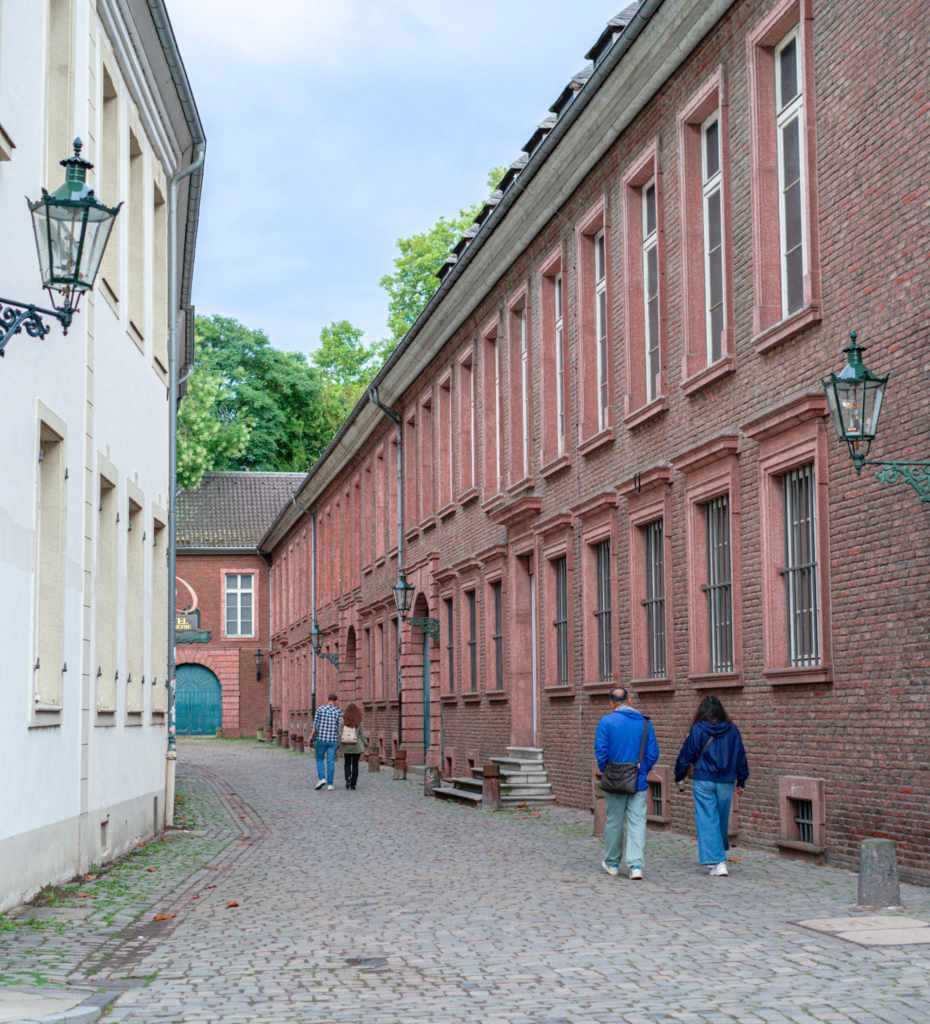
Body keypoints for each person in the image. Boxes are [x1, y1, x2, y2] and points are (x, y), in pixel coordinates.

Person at [674, 695, 749, 877]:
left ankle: (719, 861)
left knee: (708, 819)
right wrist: (742, 780)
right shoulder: (732, 730)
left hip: (704, 780)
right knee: (720, 819)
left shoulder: (698, 729)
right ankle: (717, 855)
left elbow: (686, 755)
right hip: (726, 781)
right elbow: (741, 756)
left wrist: (679, 775)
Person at [594, 686, 659, 880]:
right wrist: (641, 770)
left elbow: (601, 752)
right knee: (637, 822)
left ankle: (613, 863)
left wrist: (608, 771)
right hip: (638, 781)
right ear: (629, 701)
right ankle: (636, 865)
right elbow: (653, 753)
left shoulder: (606, 722)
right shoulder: (645, 723)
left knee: (614, 821)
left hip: (614, 782)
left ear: (611, 703)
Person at [308, 694, 342, 791]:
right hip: (333, 740)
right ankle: (330, 784)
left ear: (327, 699)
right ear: (336, 701)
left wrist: (310, 736)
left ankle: (322, 778)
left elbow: (314, 724)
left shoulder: (320, 709)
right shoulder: (338, 711)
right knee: (331, 761)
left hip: (321, 739)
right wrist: (339, 742)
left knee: (319, 759)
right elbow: (340, 728)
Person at [340, 703, 367, 790]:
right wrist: (366, 744)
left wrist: (338, 744)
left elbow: (340, 733)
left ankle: (348, 776)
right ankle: (353, 784)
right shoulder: (359, 720)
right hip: (356, 745)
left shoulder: (343, 720)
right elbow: (362, 734)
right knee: (355, 764)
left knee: (347, 762)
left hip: (346, 744)